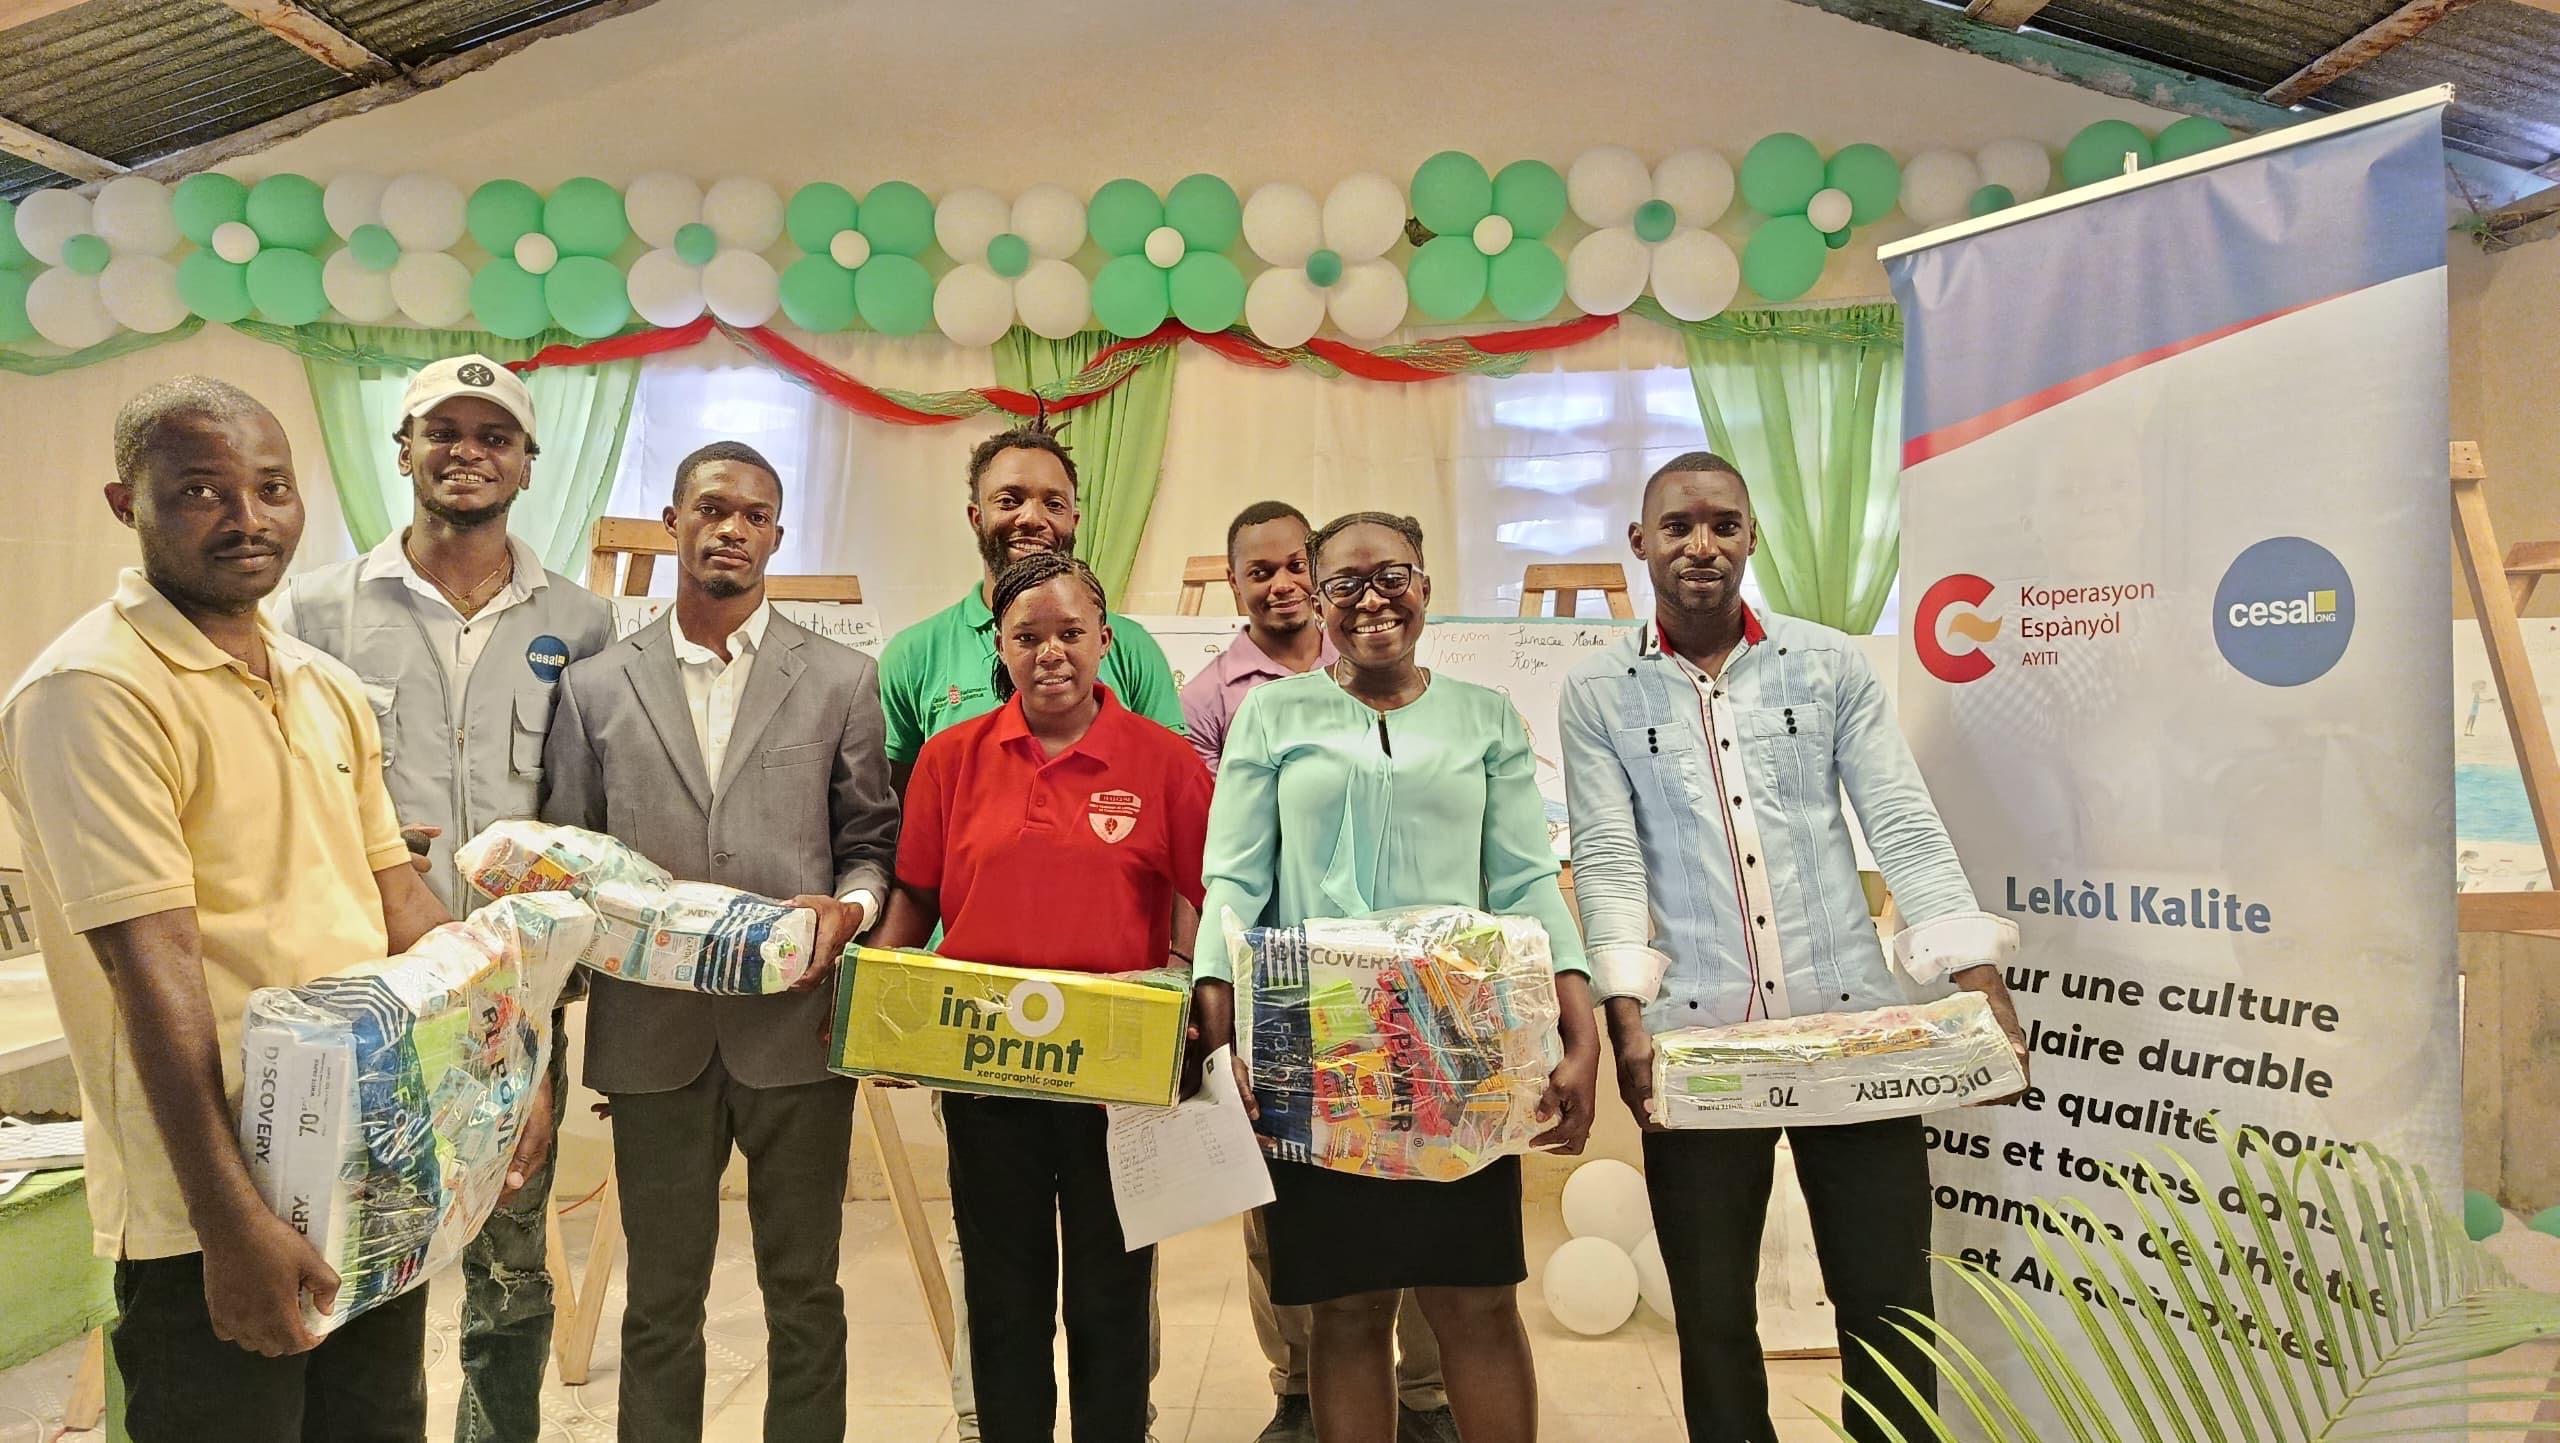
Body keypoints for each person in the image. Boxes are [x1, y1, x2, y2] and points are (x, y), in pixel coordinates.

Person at [0, 377, 526, 1439]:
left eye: (271, 488)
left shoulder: (321, 684)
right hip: (210, 1206)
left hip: (369, 1166)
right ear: (127, 504)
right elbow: (152, 975)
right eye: (201, 490)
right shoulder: (94, 691)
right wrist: (230, 1222)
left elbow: (397, 899)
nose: (246, 517)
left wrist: (507, 1058)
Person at [1556, 452, 2027, 1443]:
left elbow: (1901, 821)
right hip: (1696, 1041)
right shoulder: (1598, 691)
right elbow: (1607, 858)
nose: (1701, 545)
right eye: (1677, 526)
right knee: (1713, 1317)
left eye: (1723, 524)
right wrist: (1625, 1012)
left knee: (1889, 1306)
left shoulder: (1827, 665)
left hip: (1852, 1029)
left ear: (1751, 537)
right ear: (1640, 542)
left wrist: (1976, 974)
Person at [1193, 511, 1602, 1443]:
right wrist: (1223, 1043)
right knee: (1345, 1308)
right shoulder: (1272, 715)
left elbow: (1527, 881)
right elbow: (1235, 884)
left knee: (1477, 1298)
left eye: (1392, 576)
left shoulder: (1485, 715)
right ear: (1319, 600)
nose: (1371, 600)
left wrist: (1578, 1032)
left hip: (1463, 1051)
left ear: (1424, 583)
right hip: (1316, 1053)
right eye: (1345, 584)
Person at [272, 353, 613, 1443]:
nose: (468, 452)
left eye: (494, 435)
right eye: (444, 432)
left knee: (511, 1262)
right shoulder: (313, 610)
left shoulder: (583, 622)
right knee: (362, 1259)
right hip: (363, 991)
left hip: (516, 987)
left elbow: (587, 814)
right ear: (404, 450)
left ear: (528, 463)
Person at [541, 440, 900, 1443]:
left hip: (796, 1031)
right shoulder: (596, 688)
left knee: (805, 1290)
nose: (731, 528)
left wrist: (851, 912)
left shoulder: (840, 679)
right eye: (710, 509)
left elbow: (872, 844)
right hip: (652, 1036)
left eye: (753, 514)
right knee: (660, 1301)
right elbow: (571, 853)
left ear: (777, 535)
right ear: (674, 523)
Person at [875, 419, 1186, 1440]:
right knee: (1004, 1295)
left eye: (1070, 634)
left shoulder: (1163, 761)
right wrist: (882, 1007)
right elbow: (915, 895)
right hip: (986, 1067)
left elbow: (1206, 895)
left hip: (1118, 1073)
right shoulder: (950, 757)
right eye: (1026, 637)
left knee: (1112, 1292)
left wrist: (1191, 997)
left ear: (1105, 640)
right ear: (999, 648)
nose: (1051, 651)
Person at [1180, 501, 1450, 1443]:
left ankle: (1426, 1393)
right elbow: (1227, 856)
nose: (1284, 584)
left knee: (1428, 1205)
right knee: (1292, 1230)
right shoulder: (1216, 698)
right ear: (1236, 585)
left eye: (1297, 564)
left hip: (1416, 999)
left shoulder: (1398, 667)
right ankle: (1298, 1388)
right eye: (1260, 572)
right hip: (1290, 1001)